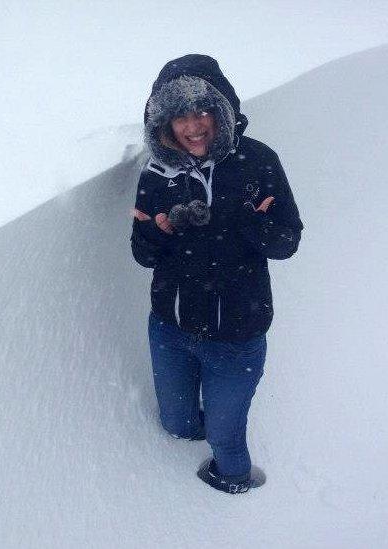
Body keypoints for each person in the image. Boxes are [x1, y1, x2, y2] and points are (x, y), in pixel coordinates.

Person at [130, 54, 304, 494]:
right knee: (177, 423)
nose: (192, 126)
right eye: (178, 116)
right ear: (162, 124)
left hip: (236, 337)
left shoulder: (257, 162)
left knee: (225, 438)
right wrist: (163, 229)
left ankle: (234, 481)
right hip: (170, 329)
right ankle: (191, 434)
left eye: (202, 110)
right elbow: (143, 254)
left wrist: (244, 219)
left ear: (222, 110)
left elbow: (286, 243)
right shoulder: (156, 174)